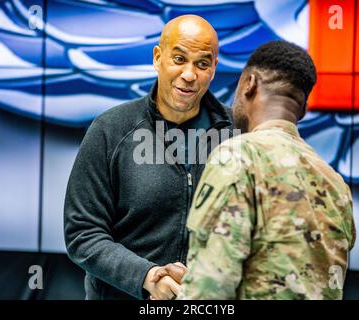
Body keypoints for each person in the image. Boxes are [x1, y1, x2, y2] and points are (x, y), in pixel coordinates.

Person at [63, 14, 233, 300]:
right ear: (157, 58)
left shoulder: (239, 134)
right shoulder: (111, 130)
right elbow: (83, 233)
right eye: (179, 59)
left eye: (202, 64)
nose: (189, 75)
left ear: (214, 68)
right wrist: (147, 277)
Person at [173, 40, 356, 299]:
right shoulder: (335, 183)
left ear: (249, 84)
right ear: (302, 109)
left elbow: (209, 289)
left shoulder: (238, 156)